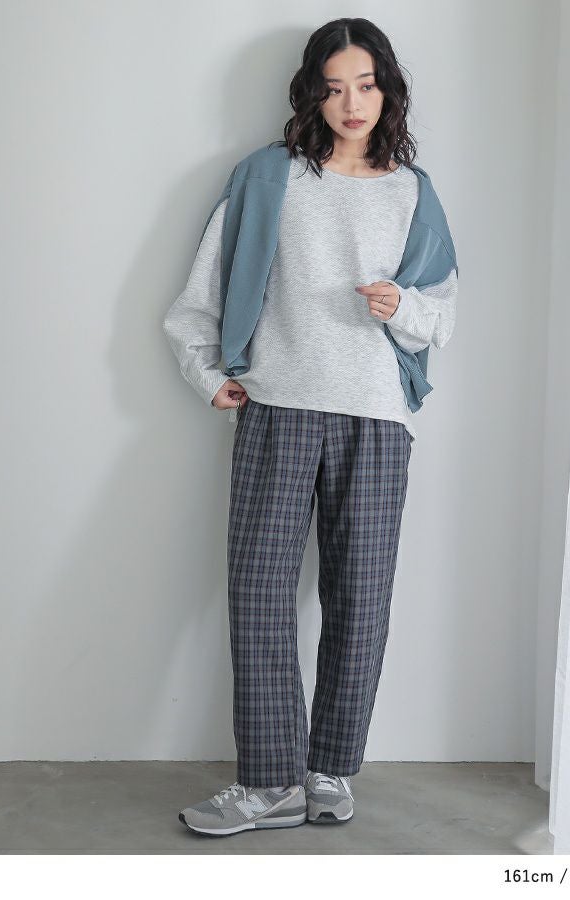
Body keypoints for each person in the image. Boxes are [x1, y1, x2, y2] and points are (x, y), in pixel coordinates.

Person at [162, 17, 458, 837]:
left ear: (387, 90)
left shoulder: (413, 191)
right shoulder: (268, 177)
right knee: (258, 596)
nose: (351, 103)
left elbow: (442, 314)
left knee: (361, 600)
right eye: (333, 88)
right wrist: (208, 375)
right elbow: (200, 295)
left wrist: (403, 306)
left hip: (376, 418)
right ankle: (268, 783)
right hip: (278, 409)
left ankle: (329, 770)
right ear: (311, 95)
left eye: (366, 85)